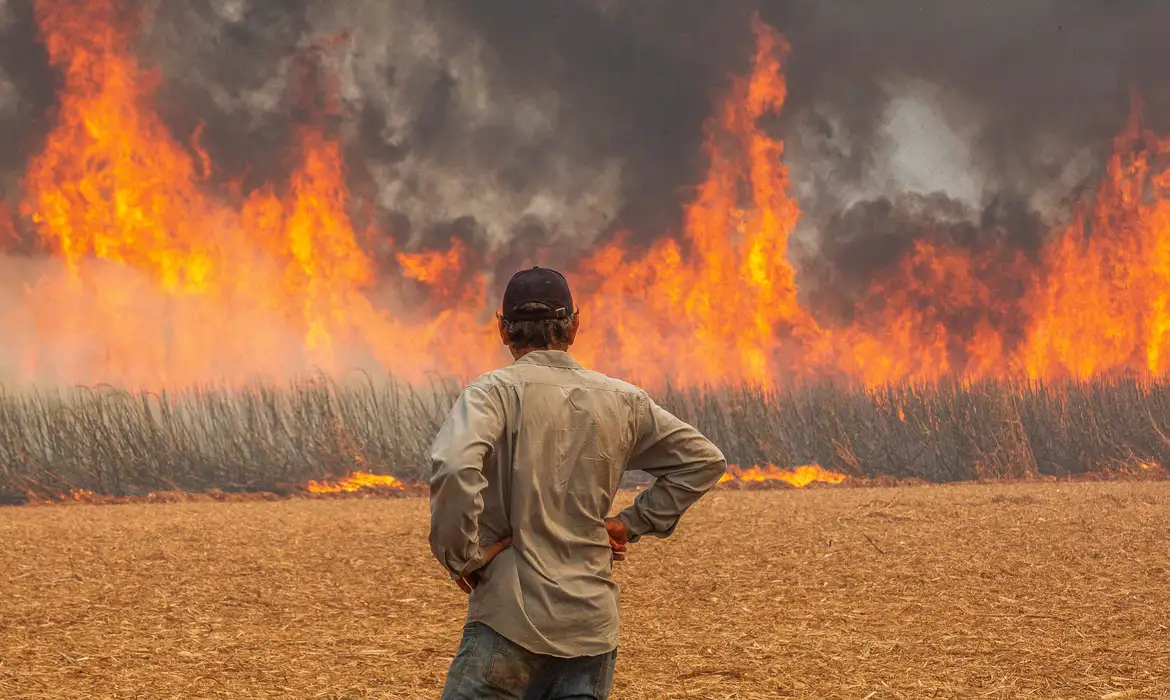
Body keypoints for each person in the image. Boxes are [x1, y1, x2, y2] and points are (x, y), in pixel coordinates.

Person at [428, 266, 727, 699]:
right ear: (574, 324)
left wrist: (463, 556)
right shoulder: (623, 400)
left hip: (509, 617)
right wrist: (631, 523)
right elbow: (703, 460)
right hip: (592, 626)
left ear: (503, 330)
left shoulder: (490, 394)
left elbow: (455, 466)